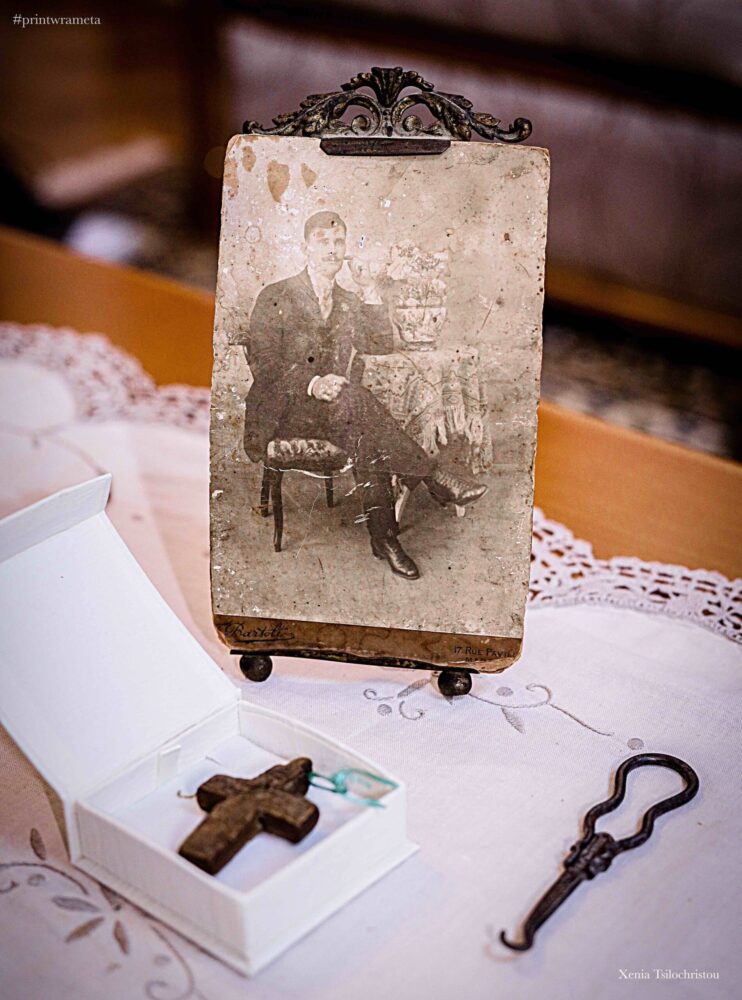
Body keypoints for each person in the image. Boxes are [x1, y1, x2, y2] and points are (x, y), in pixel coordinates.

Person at [236, 210, 487, 580]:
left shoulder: (348, 301)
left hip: (336, 410)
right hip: (283, 412)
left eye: (338, 242)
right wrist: (313, 383)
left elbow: (380, 345)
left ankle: (386, 538)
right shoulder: (276, 295)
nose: (332, 249)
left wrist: (369, 291)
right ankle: (430, 482)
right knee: (358, 406)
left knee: (364, 429)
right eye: (323, 241)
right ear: (305, 248)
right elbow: (265, 363)